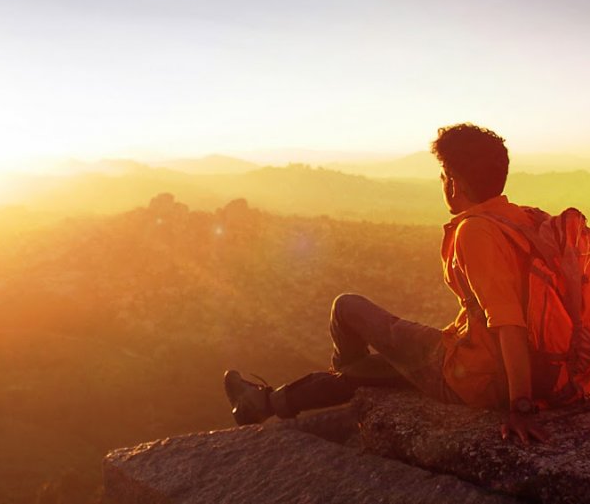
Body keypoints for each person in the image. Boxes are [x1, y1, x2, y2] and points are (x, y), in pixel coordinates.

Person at [223, 123, 550, 444]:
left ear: (453, 183)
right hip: (532, 370)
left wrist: (520, 405)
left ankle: (333, 384)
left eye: (443, 176)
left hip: (476, 377)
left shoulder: (475, 232)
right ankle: (265, 403)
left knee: (347, 308)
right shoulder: (526, 220)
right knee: (394, 365)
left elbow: (509, 322)